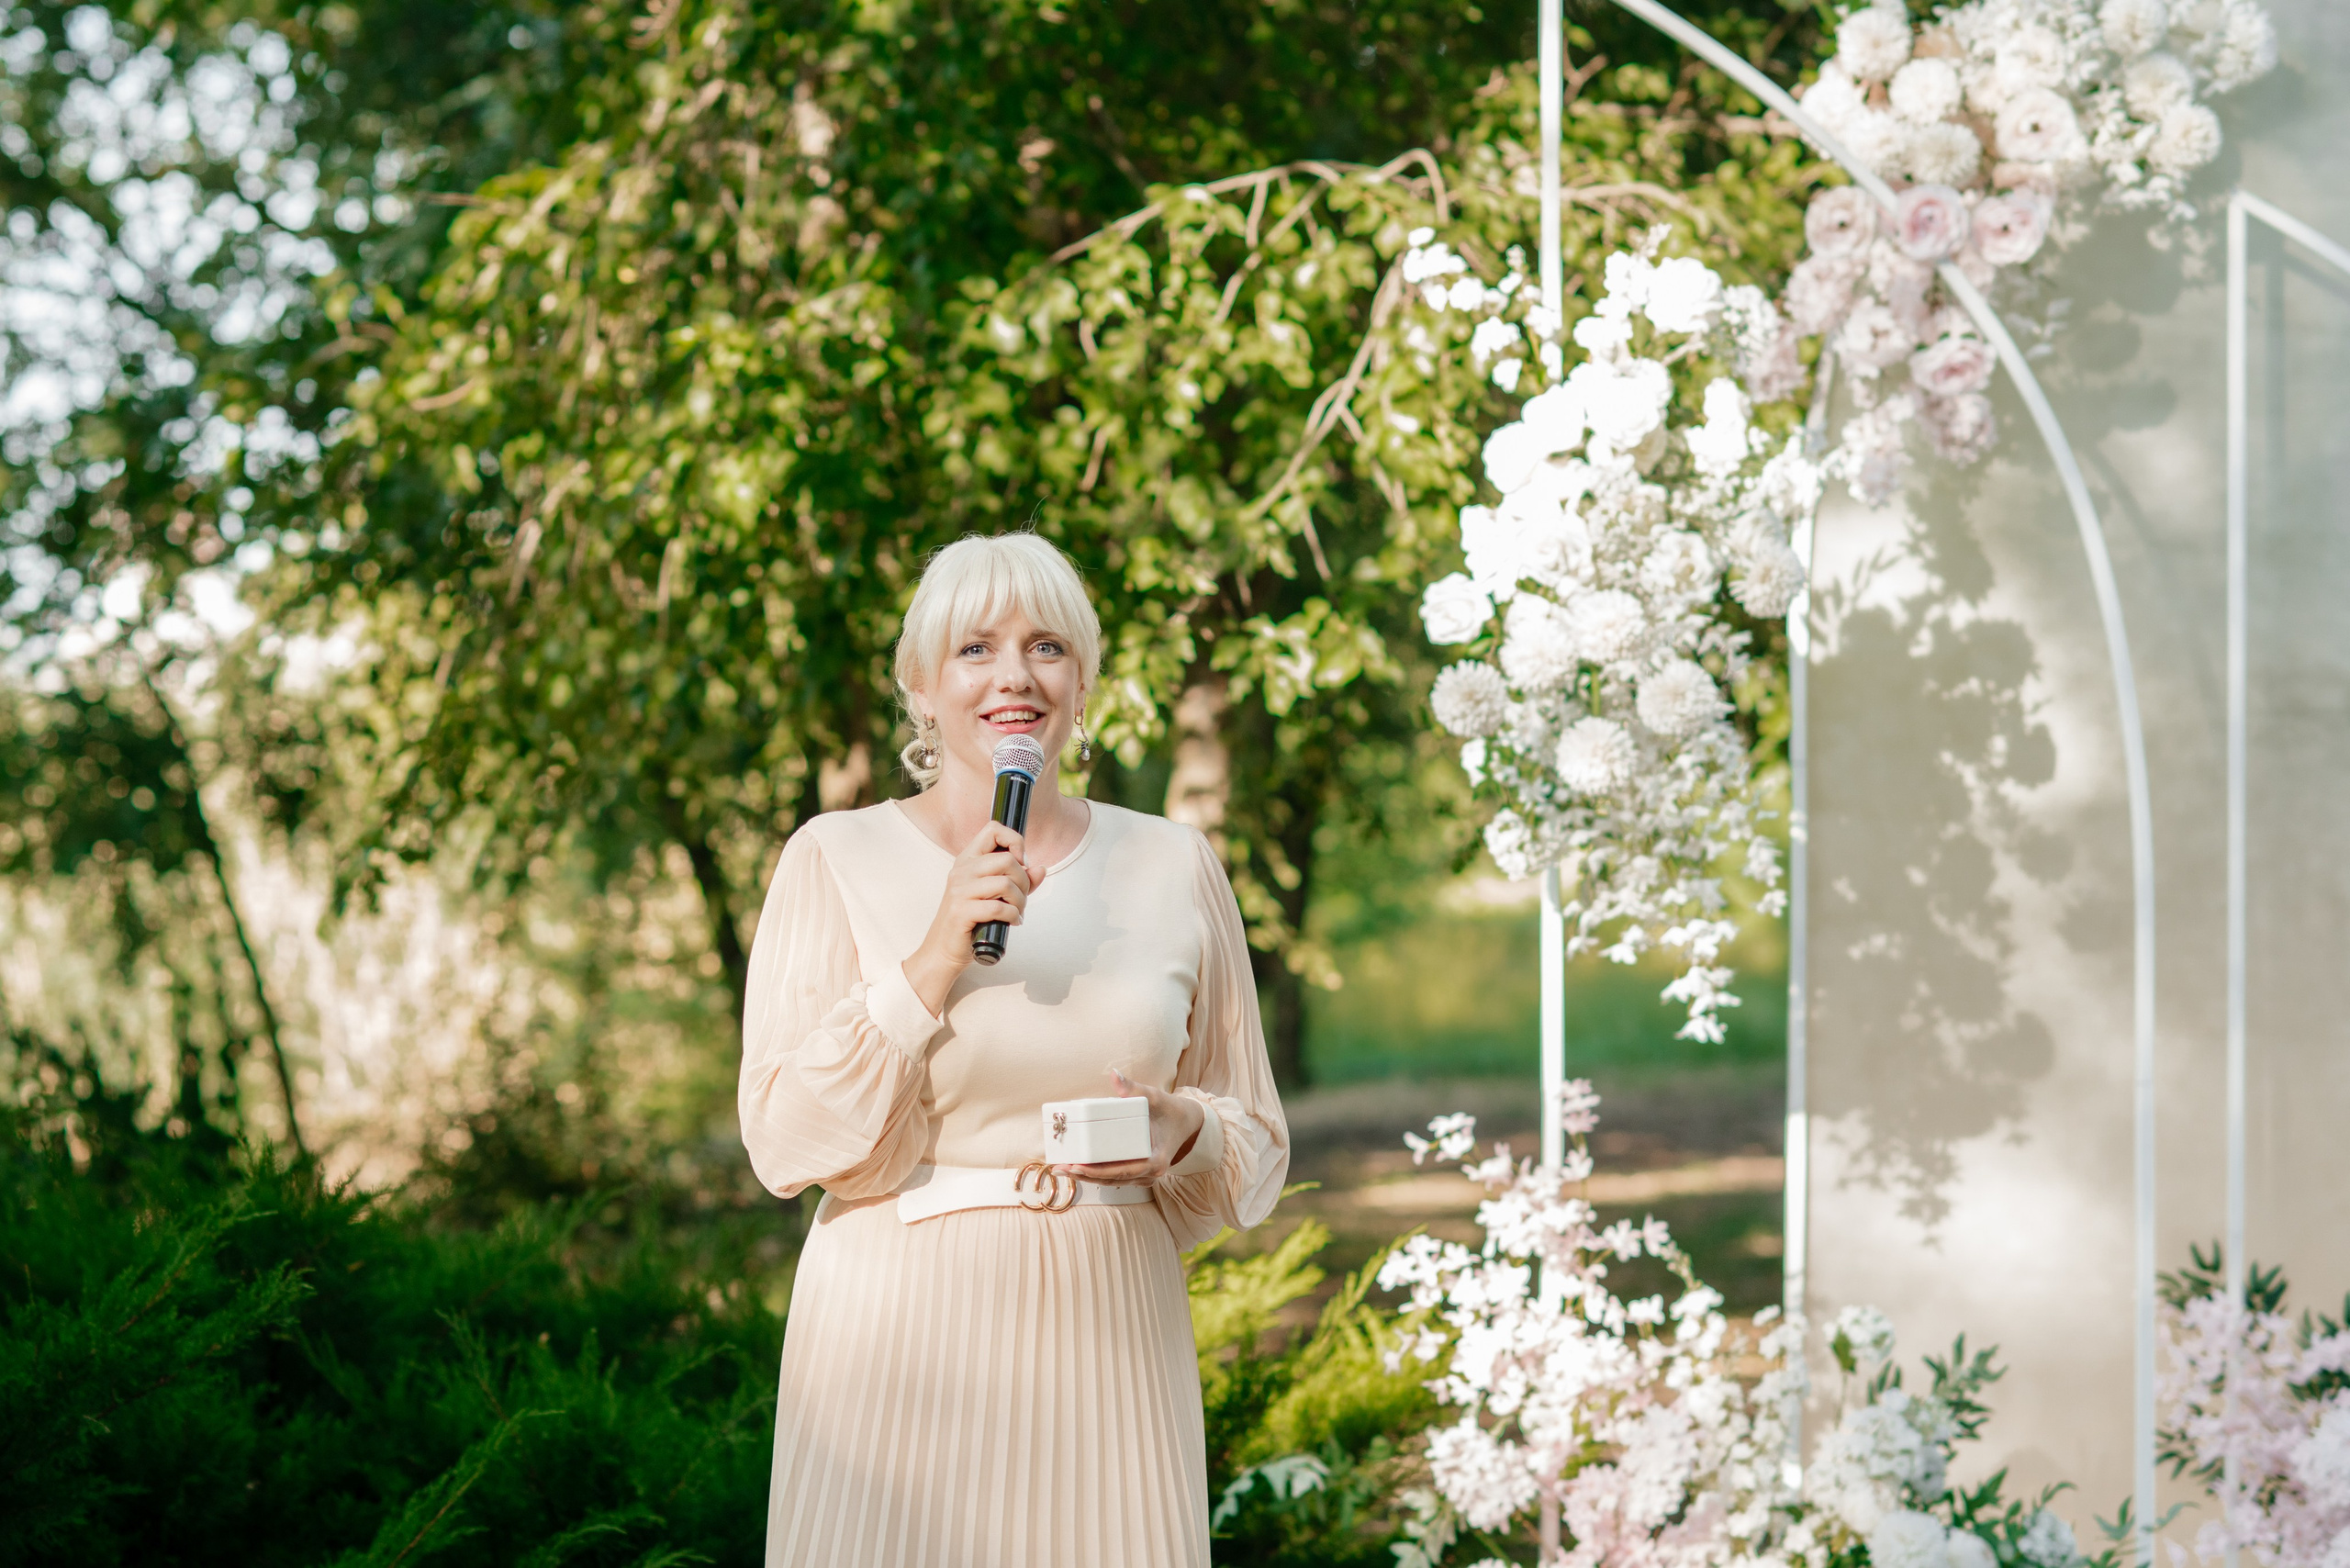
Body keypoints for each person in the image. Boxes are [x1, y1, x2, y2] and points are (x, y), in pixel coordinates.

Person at [740, 532, 1290, 1567]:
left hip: (1110, 1326)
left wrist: (1179, 1131)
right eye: (974, 648)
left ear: (1081, 680)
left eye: (1046, 646)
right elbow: (780, 1134)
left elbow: (1254, 1135)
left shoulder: (1173, 861)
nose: (1013, 677)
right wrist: (933, 957)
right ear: (920, 682)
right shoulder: (833, 855)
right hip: (892, 1335)